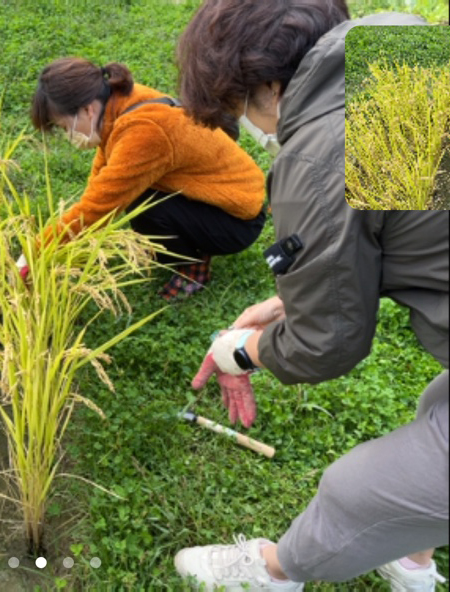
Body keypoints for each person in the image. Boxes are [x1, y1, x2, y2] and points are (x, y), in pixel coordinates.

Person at [172, 1, 449, 591]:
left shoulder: (320, 153)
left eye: (236, 107)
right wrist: (285, 303)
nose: (247, 126)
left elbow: (329, 343)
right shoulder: (399, 60)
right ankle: (412, 551)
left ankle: (274, 573)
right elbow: (407, 230)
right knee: (437, 404)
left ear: (269, 85)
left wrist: (242, 351)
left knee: (359, 490)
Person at [29, 57, 266, 300]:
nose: (69, 135)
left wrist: (34, 253)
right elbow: (101, 179)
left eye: (65, 126)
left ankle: (192, 267)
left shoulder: (143, 131)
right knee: (132, 190)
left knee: (142, 205)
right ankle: (184, 239)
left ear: (87, 109)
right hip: (225, 197)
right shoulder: (118, 100)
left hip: (236, 221)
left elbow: (98, 207)